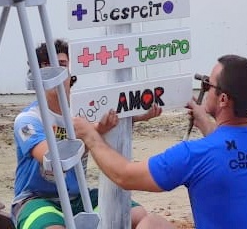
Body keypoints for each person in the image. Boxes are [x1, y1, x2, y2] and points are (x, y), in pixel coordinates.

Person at [73, 54, 247, 229]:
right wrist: (204, 121)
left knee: (151, 226)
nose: (203, 87)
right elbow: (230, 152)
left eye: (207, 84)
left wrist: (91, 136)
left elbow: (125, 175)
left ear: (223, 99)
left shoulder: (196, 154)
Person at [12, 39, 161, 229]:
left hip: (78, 197)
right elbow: (53, 159)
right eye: (46, 66)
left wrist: (136, 115)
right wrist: (95, 132)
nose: (54, 72)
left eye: (62, 65)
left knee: (138, 216)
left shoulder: (84, 110)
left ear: (71, 71)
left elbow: (108, 120)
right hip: (37, 199)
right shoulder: (28, 120)